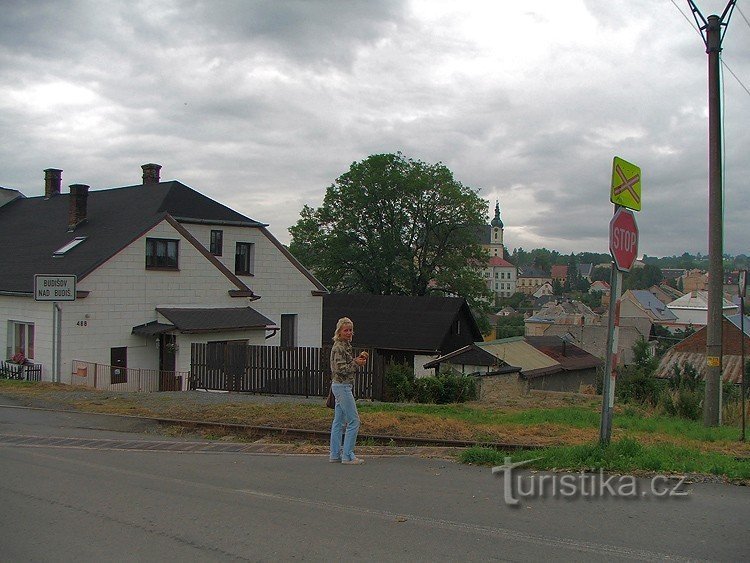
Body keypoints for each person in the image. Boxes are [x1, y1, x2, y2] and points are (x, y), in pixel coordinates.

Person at [329, 317, 368, 465]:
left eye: (350, 330)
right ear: (339, 332)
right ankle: (348, 455)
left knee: (338, 422)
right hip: (343, 386)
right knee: (354, 421)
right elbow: (341, 369)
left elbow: (345, 365)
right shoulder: (339, 347)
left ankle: (334, 455)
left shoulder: (344, 345)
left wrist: (355, 361)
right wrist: (356, 363)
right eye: (346, 330)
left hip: (340, 386)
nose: (349, 332)